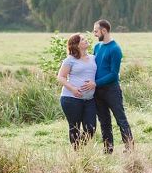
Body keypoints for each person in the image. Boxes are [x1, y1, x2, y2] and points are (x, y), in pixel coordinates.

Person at [80, 19, 133, 154]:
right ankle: (108, 150)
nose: (94, 34)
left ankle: (130, 149)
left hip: (112, 90)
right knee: (104, 122)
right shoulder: (97, 47)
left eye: (96, 31)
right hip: (97, 91)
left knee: (121, 119)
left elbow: (114, 74)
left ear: (104, 31)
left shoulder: (115, 49)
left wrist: (96, 83)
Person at [57, 33, 97, 148]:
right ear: (77, 45)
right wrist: (73, 89)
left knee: (91, 128)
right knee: (74, 127)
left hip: (89, 99)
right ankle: (78, 154)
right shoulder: (70, 60)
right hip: (71, 99)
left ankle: (81, 148)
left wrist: (95, 83)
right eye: (83, 39)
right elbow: (61, 77)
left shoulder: (93, 58)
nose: (86, 40)